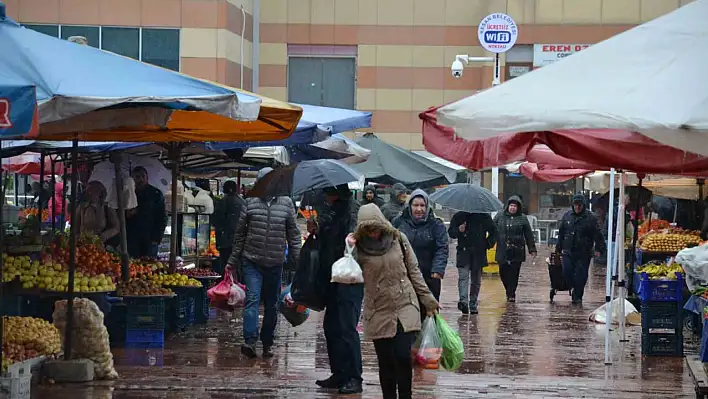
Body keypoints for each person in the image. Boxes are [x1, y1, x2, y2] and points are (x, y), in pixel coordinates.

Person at [347, 204, 439, 399]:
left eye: (375, 228)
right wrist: (349, 249)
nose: (373, 233)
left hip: (404, 303)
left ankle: (406, 395)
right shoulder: (359, 248)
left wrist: (428, 299)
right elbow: (348, 275)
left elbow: (414, 271)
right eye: (368, 230)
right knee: (386, 361)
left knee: (402, 356)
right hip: (378, 308)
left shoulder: (398, 239)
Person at [228, 167, 302, 359]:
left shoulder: (286, 203)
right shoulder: (250, 202)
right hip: (252, 261)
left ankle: (267, 342)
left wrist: (298, 260)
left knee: (272, 305)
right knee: (252, 299)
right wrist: (232, 261)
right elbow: (240, 235)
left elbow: (294, 235)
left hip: (276, 263)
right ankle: (250, 341)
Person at [309, 185, 363, 395]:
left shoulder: (351, 210)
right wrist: (317, 230)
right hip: (331, 278)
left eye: (327, 192)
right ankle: (339, 372)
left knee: (347, 329)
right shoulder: (330, 210)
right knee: (331, 327)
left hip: (348, 279)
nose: (324, 195)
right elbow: (327, 242)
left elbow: (351, 240)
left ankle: (354, 376)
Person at [395, 189, 449, 319]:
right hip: (405, 276)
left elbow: (442, 248)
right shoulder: (399, 222)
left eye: (422, 205)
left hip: (429, 275)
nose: (419, 209)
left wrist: (438, 269)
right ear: (410, 206)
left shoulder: (436, 224)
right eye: (415, 205)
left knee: (430, 313)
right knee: (408, 312)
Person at [556, 194, 605, 304]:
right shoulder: (567, 216)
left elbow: (597, 234)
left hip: (584, 252)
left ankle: (577, 296)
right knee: (567, 271)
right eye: (575, 205)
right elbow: (561, 233)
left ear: (583, 205)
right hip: (568, 250)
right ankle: (572, 286)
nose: (577, 207)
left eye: (579, 205)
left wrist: (599, 248)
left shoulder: (591, 217)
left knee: (581, 275)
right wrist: (558, 248)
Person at [448, 211, 497, 314]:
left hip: (478, 253)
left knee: (476, 280)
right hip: (463, 252)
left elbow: (494, 232)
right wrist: (459, 230)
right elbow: (451, 233)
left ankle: (473, 303)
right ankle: (463, 302)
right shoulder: (459, 216)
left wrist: (487, 244)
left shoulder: (484, 216)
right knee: (463, 277)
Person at [494, 196, 537, 302]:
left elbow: (528, 234)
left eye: (515, 206)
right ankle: (508, 290)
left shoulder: (522, 218)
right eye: (511, 205)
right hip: (502, 249)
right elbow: (492, 228)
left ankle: (511, 293)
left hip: (517, 250)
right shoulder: (500, 216)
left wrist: (532, 249)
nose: (512, 208)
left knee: (514, 273)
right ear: (508, 206)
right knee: (503, 272)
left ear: (518, 207)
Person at [126, 166, 167, 258]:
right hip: (132, 238)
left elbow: (162, 217)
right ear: (132, 179)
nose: (140, 179)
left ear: (147, 178)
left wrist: (156, 238)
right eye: (137, 177)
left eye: (143, 176)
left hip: (150, 238)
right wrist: (127, 215)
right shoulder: (127, 194)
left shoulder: (156, 194)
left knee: (149, 266)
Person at [213, 180, 245, 276]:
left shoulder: (224, 201)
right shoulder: (243, 201)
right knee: (237, 266)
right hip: (240, 239)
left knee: (225, 264)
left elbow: (217, 219)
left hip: (226, 239)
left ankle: (226, 285)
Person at [74, 181, 120, 245]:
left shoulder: (107, 208)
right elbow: (75, 228)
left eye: (93, 191)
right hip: (83, 244)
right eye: (88, 191)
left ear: (100, 193)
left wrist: (105, 235)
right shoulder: (82, 207)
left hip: (101, 245)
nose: (89, 193)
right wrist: (77, 238)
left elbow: (116, 227)